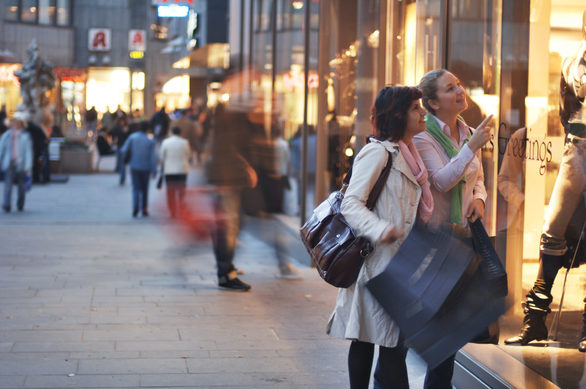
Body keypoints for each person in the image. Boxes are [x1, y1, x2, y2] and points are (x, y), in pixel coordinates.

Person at [327, 86, 434, 388]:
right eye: (415, 107)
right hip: (374, 263)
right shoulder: (378, 152)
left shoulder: (412, 156)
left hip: (401, 265)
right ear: (398, 115)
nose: (422, 112)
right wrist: (380, 229)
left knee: (392, 345)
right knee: (370, 341)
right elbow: (351, 203)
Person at [505, 10, 586, 352]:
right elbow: (570, 101)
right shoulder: (575, 58)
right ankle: (534, 321)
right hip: (579, 148)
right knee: (553, 230)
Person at [411, 69, 492, 388]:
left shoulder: (470, 131)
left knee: (450, 331)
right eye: (450, 88)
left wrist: (481, 201)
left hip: (464, 238)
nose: (460, 90)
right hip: (435, 240)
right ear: (432, 102)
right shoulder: (423, 135)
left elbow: (479, 180)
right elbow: (442, 180)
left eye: (459, 84)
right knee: (442, 331)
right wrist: (470, 147)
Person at [205, 103, 255, 291]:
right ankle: (226, 273)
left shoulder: (218, 129)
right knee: (227, 230)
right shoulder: (225, 131)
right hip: (226, 184)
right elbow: (229, 153)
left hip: (225, 183)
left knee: (227, 228)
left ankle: (226, 269)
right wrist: (246, 169)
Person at [121, 121, 157, 217]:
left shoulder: (132, 137)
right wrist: (154, 170)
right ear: (147, 129)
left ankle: (135, 207)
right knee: (145, 189)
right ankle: (144, 208)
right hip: (146, 167)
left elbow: (124, 150)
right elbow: (153, 157)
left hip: (134, 166)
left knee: (136, 188)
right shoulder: (150, 140)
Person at [0, 112, 33, 212]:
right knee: (8, 185)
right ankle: (7, 204)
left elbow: (28, 152)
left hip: (21, 163)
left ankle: (20, 204)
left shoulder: (25, 136)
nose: (16, 124)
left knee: (21, 186)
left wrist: (28, 166)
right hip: (9, 162)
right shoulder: (7, 135)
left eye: (18, 122)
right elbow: (1, 148)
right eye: (15, 122)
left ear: (21, 124)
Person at [159, 126, 191, 217]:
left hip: (169, 171)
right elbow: (189, 155)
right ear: (180, 132)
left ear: (172, 132)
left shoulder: (166, 142)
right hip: (182, 170)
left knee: (170, 192)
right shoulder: (185, 142)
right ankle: (180, 208)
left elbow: (161, 157)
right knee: (181, 191)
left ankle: (172, 211)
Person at [110, 117, 130, 185]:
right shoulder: (118, 128)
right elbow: (114, 136)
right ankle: (121, 177)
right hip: (120, 146)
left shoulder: (125, 128)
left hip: (123, 146)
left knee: (122, 163)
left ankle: (122, 177)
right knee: (121, 163)